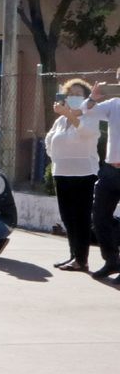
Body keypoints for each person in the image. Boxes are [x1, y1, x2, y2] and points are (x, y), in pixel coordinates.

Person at [45, 80, 100, 271]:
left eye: (79, 94)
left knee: (81, 218)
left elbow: (86, 133)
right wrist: (57, 159)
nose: (74, 97)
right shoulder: (60, 120)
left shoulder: (90, 116)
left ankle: (81, 260)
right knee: (67, 217)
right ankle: (72, 255)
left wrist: (69, 114)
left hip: (84, 174)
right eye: (71, 94)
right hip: (62, 173)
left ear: (86, 98)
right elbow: (49, 140)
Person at [80, 75, 120, 280]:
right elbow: (87, 111)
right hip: (110, 170)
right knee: (99, 216)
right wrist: (93, 98)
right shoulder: (114, 104)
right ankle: (112, 261)